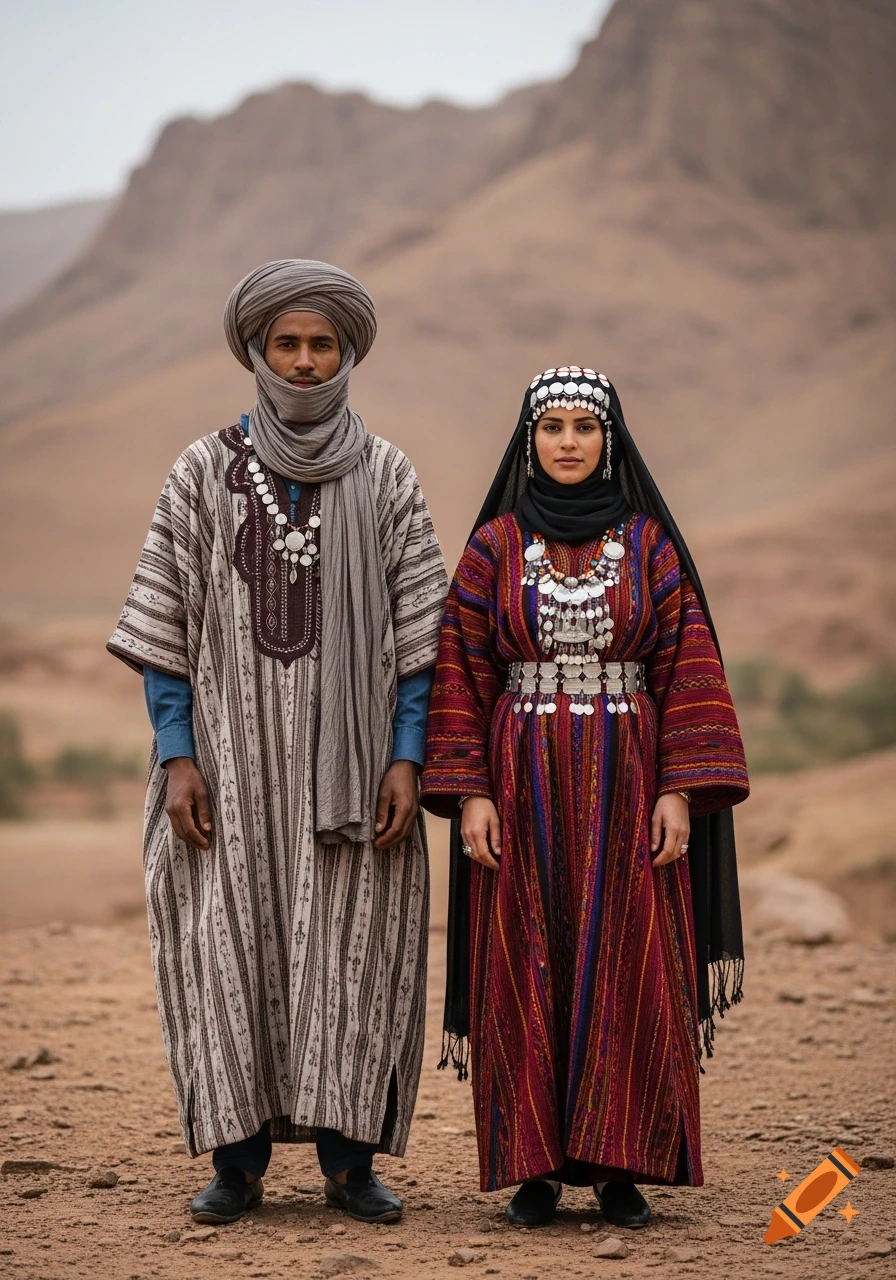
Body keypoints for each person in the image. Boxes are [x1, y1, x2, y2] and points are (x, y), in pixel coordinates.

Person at [108, 259, 448, 1226]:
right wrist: (178, 756)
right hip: (226, 770)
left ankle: (351, 1163)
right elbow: (164, 630)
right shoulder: (199, 471)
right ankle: (237, 1161)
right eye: (288, 344)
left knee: (355, 954)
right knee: (228, 950)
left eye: (322, 345)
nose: (304, 363)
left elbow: (421, 637)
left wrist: (406, 756)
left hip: (355, 777)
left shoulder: (386, 474)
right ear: (256, 349)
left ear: (348, 353)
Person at [421, 366, 749, 1228]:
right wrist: (471, 795)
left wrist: (680, 789)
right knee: (523, 952)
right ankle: (531, 1165)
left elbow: (686, 667)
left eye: (585, 427)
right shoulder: (492, 547)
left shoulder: (649, 547)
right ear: (529, 441)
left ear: (611, 441)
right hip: (520, 779)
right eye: (551, 427)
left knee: (630, 953)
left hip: (630, 775)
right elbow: (460, 670)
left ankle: (620, 1167)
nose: (568, 441)